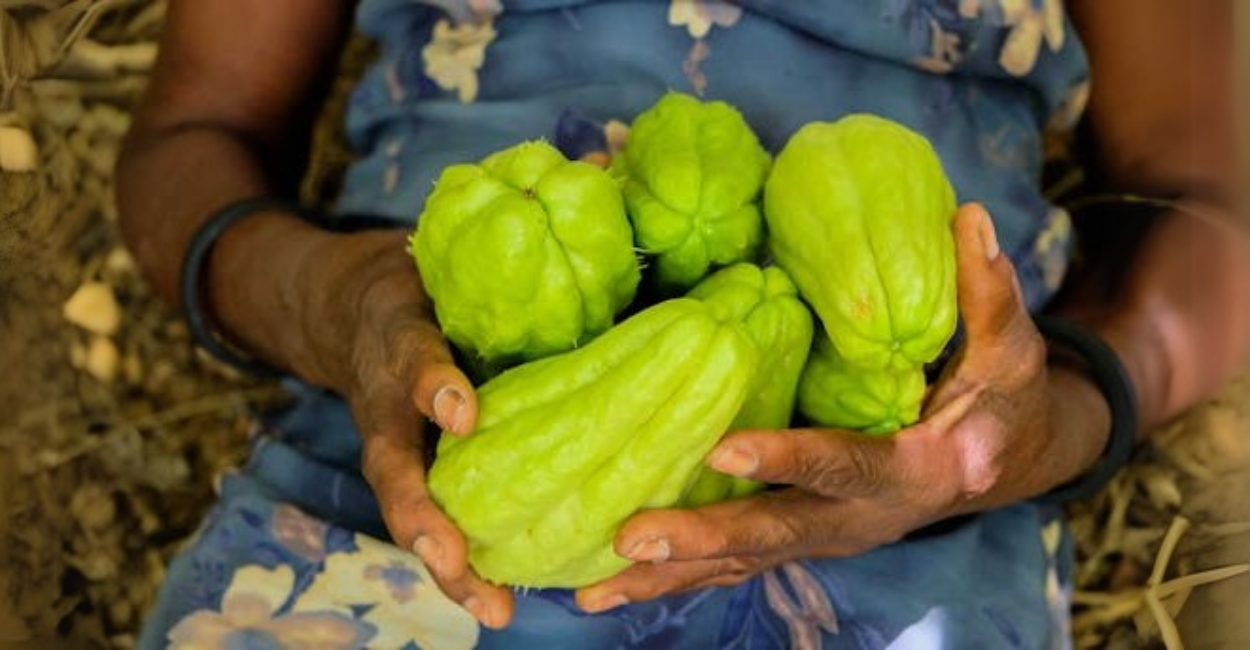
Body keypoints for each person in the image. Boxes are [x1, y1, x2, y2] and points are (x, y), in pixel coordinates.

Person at [117, 1, 1248, 647]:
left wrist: (1031, 426)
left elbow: (1210, 210)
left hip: (908, 517)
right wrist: (332, 304)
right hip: (411, 461)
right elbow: (196, 130)